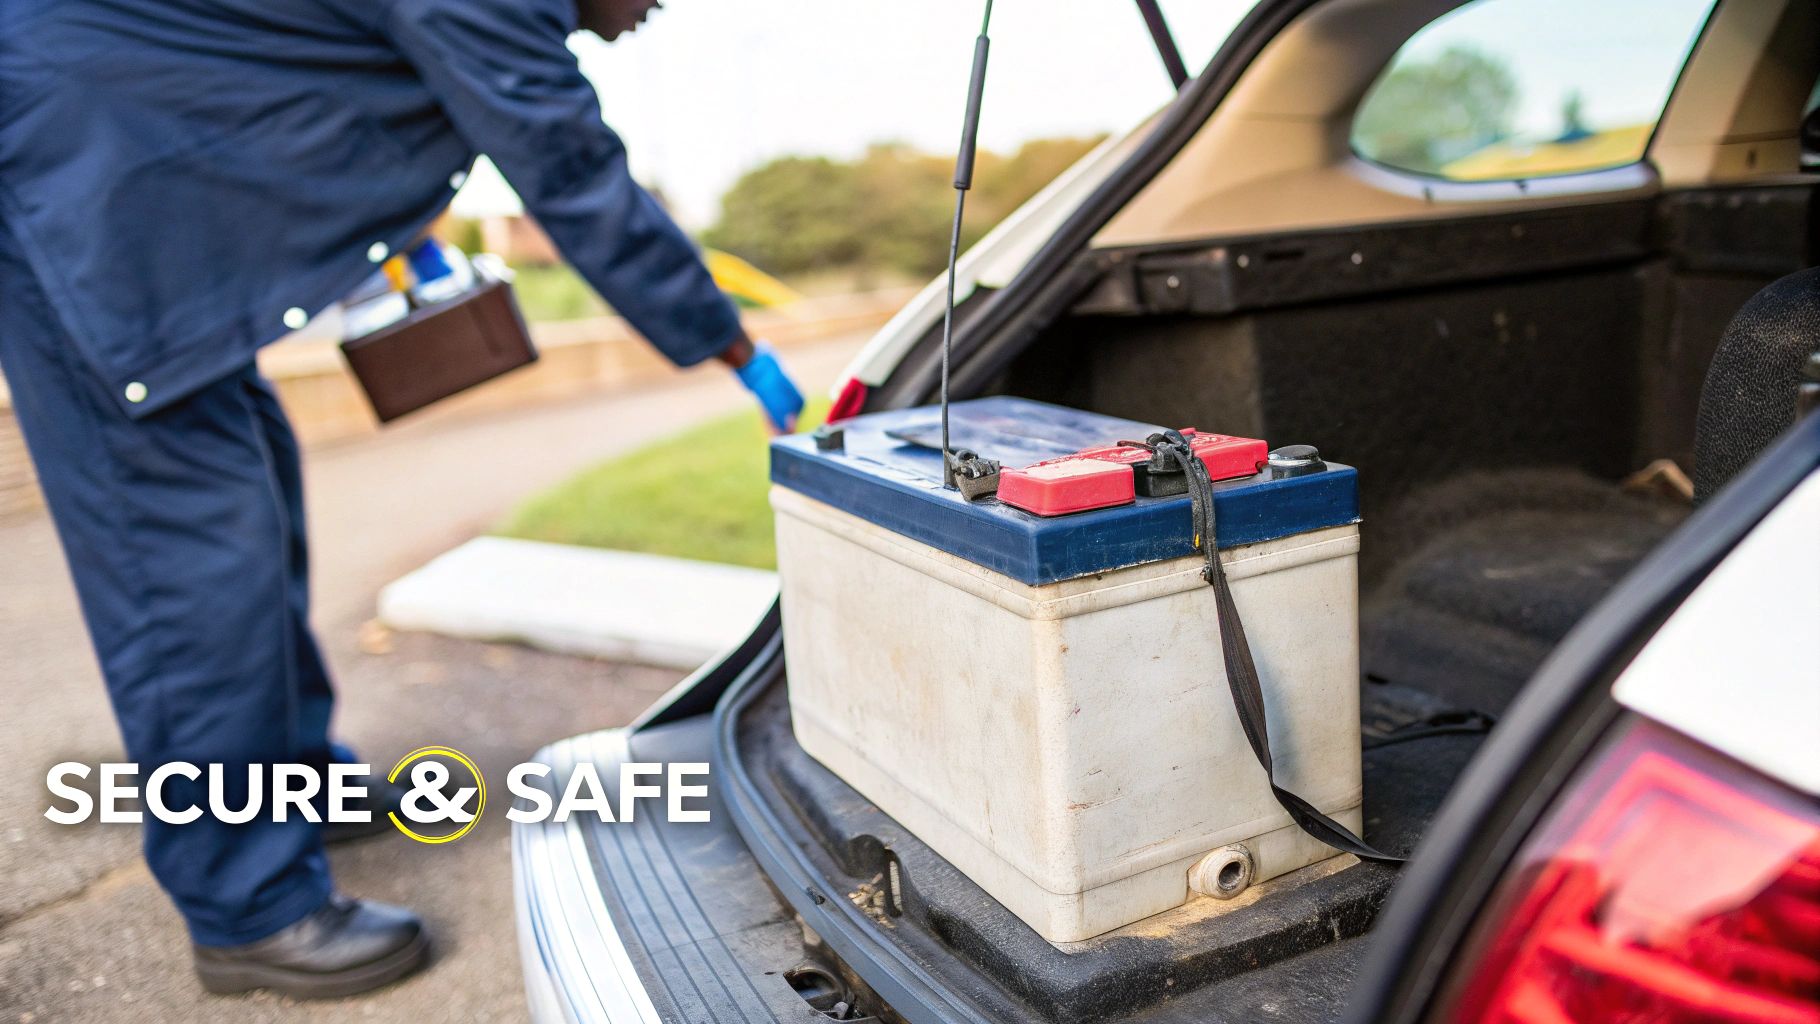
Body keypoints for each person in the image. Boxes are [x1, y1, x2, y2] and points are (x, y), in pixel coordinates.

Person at [0, 0, 802, 1000]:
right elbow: (563, 162)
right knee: (185, 553)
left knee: (250, 493)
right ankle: (247, 904)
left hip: (115, 170)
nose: (658, 10)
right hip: (76, 187)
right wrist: (737, 349)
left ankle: (291, 780)